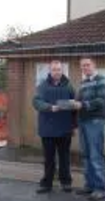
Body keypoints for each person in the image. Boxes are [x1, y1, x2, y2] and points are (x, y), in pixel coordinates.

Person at [33, 60, 76, 194]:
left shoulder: (69, 86)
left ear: (62, 71)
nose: (56, 72)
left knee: (64, 158)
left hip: (64, 129)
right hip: (47, 129)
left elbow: (74, 106)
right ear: (50, 71)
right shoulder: (42, 86)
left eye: (58, 69)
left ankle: (66, 182)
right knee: (48, 159)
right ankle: (47, 184)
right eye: (54, 70)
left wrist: (74, 125)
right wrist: (50, 107)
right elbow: (36, 102)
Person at [72, 57, 105, 201]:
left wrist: (83, 105)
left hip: (95, 121)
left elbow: (101, 100)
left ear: (94, 65)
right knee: (86, 155)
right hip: (83, 121)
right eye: (82, 66)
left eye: (87, 65)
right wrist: (73, 103)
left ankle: (100, 188)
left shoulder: (102, 80)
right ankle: (89, 185)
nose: (85, 68)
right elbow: (79, 100)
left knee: (95, 155)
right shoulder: (83, 83)